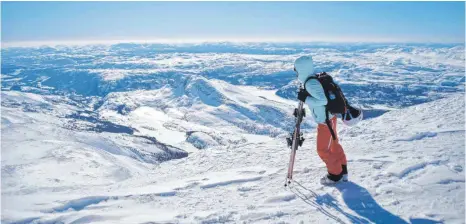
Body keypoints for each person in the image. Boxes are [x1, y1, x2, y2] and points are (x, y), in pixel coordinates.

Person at [294, 55, 348, 185]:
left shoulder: (310, 83)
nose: (295, 71)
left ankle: (335, 175)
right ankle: (342, 170)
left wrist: (305, 99)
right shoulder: (312, 80)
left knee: (323, 149)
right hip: (330, 118)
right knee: (334, 145)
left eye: (296, 69)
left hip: (325, 122)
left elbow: (322, 100)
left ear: (301, 69)